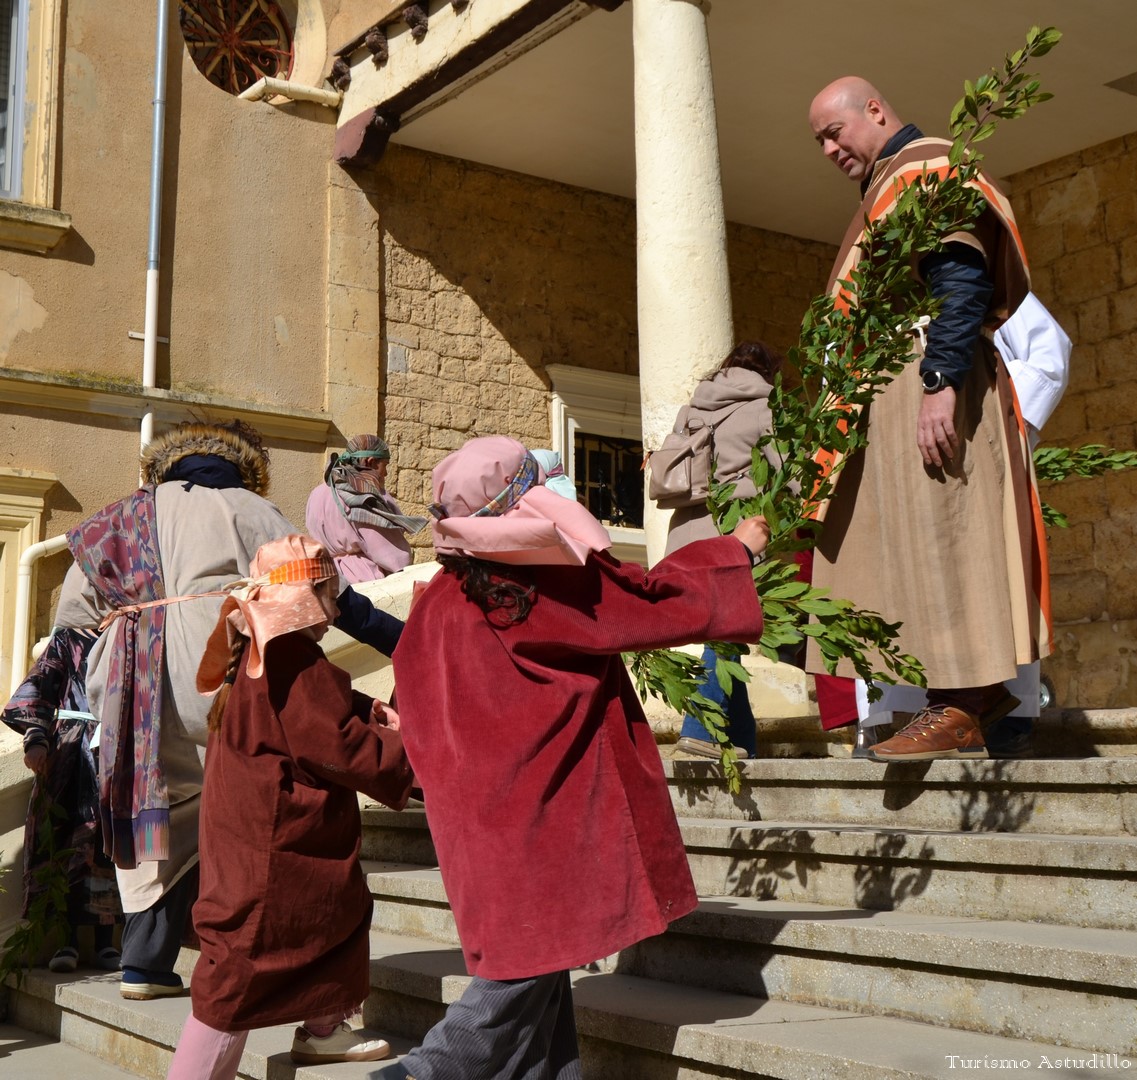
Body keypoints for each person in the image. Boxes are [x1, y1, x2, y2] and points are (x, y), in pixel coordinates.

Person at [386, 435, 769, 1080]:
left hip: (480, 819)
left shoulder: (439, 602)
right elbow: (646, 601)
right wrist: (736, 553)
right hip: (542, 817)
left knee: (543, 981)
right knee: (517, 976)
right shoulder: (534, 589)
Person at [51, 419, 405, 1001]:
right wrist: (408, 644)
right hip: (216, 675)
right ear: (241, 468)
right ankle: (249, 962)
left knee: (156, 819)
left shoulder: (122, 518)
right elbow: (328, 592)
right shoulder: (252, 510)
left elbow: (72, 617)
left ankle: (145, 963)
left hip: (130, 693)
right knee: (244, 815)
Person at [806, 77, 1049, 761]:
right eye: (819, 141)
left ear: (876, 111)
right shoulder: (890, 180)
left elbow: (959, 276)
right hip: (897, 382)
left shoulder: (925, 168)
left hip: (929, 374)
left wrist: (939, 384)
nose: (828, 148)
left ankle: (959, 708)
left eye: (835, 130)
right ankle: (968, 696)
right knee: (909, 540)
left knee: (945, 533)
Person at [165, 535, 413, 1078]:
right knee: (239, 965)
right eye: (329, 596)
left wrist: (364, 705)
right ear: (312, 597)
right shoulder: (291, 658)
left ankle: (324, 1027)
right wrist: (410, 755)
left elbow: (317, 708)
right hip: (272, 841)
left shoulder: (274, 648)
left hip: (260, 826)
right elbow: (338, 744)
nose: (332, 611)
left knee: (336, 917)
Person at [853, 292, 1072, 756]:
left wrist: (993, 430)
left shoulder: (971, 274)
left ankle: (975, 705)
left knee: (967, 569)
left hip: (958, 450)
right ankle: (925, 712)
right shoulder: (872, 293)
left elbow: (1048, 354)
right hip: (895, 471)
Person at [661, 340, 785, 759]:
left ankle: (740, 741)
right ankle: (699, 729)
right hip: (738, 532)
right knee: (727, 631)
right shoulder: (765, 409)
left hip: (686, 534)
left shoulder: (691, 410)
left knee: (724, 632)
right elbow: (787, 476)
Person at [2, 628, 121, 973]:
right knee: (63, 843)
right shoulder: (68, 638)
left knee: (105, 846)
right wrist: (35, 738)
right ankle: (66, 939)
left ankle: (105, 941)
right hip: (68, 757)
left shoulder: (130, 630)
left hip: (114, 754)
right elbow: (40, 686)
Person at [305, 434, 427, 582]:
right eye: (385, 465)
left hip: (327, 578)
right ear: (371, 462)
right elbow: (390, 553)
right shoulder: (365, 493)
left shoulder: (317, 493)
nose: (386, 473)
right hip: (362, 579)